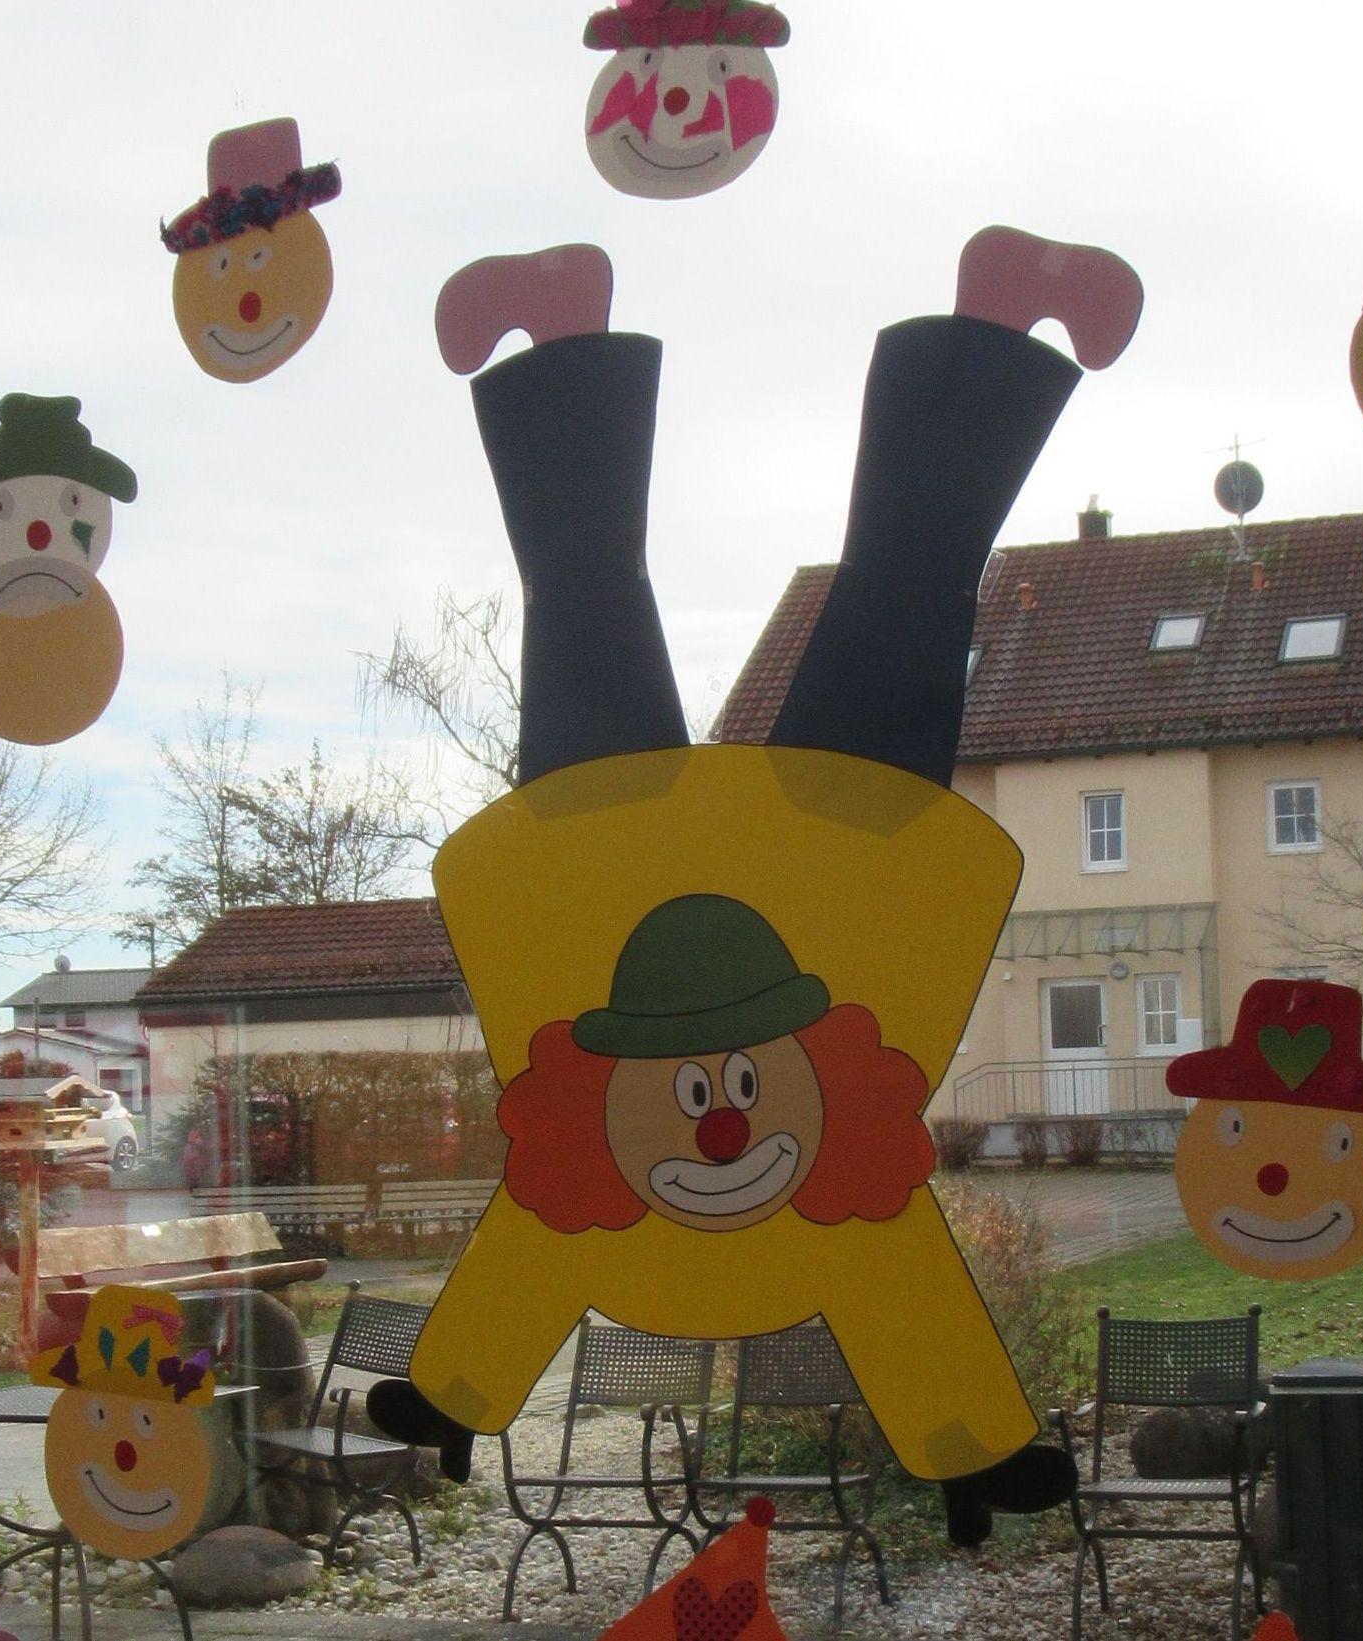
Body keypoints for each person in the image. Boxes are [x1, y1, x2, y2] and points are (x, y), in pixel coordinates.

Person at [376, 227, 1143, 1545]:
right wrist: (972, 1450)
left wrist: (452, 1395)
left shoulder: (611, 1204)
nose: (724, 1130)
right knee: (893, 598)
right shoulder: (821, 1207)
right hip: (838, 849)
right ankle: (990, 323)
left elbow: (533, 1245)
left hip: (624, 856)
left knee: (607, 609)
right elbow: (895, 1280)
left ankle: (569, 339)